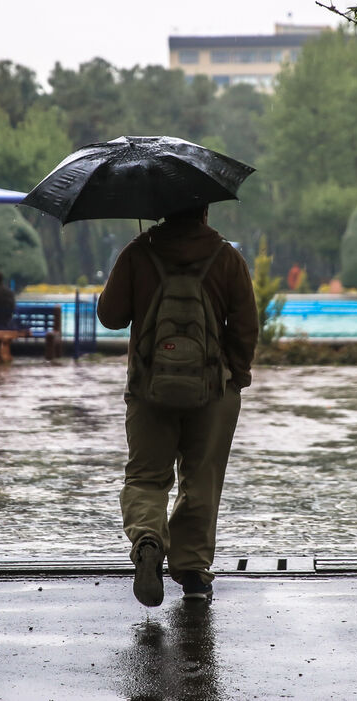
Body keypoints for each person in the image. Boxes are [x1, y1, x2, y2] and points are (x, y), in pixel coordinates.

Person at [97, 205, 258, 606]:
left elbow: (110, 316)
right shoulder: (227, 258)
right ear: (204, 210)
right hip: (212, 390)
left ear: (162, 208)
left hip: (149, 388)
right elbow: (245, 327)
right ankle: (192, 573)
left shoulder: (139, 252)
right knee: (201, 479)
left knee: (147, 477)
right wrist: (235, 376)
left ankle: (149, 539)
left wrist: (138, 264)